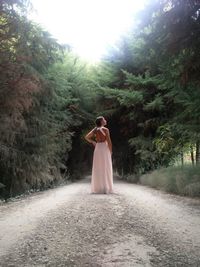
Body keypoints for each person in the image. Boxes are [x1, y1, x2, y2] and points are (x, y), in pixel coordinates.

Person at [85, 116, 113, 194]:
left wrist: (93, 142)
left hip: (97, 148)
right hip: (104, 148)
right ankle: (106, 188)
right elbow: (109, 141)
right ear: (101, 121)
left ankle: (98, 188)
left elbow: (86, 137)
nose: (105, 120)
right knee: (106, 167)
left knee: (98, 167)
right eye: (104, 119)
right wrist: (110, 151)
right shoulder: (105, 129)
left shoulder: (95, 129)